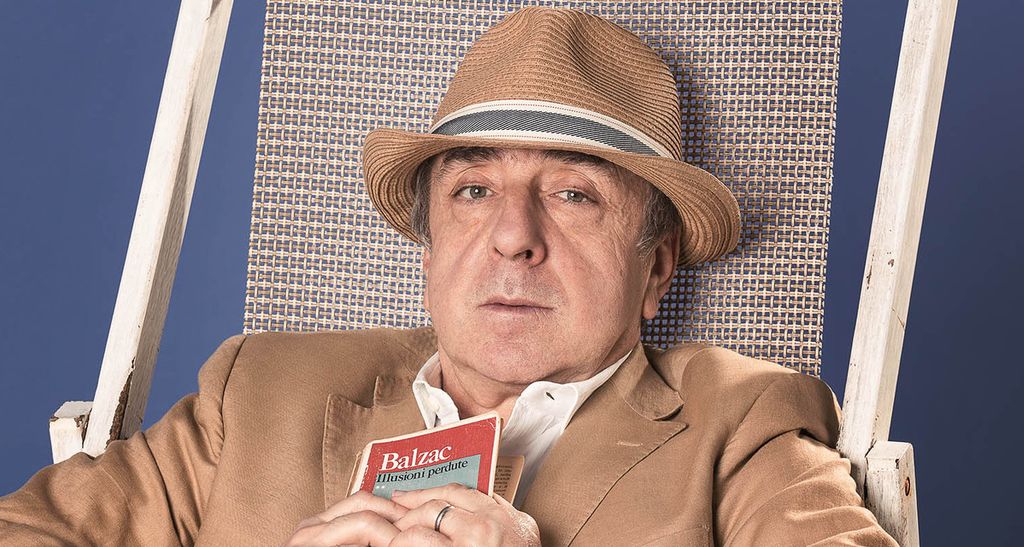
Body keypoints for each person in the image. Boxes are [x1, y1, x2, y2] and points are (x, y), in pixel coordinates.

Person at [0, 7, 897, 546]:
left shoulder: (740, 427)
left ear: (655, 267)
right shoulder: (260, 389)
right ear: (428, 245)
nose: (513, 236)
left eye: (574, 194)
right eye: (473, 189)